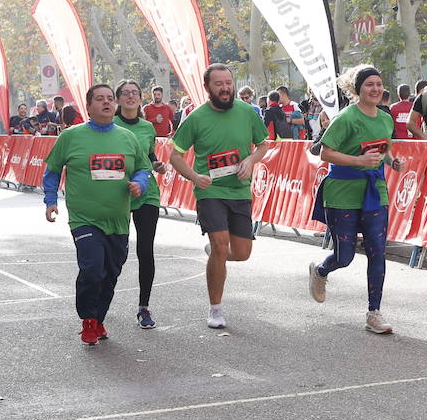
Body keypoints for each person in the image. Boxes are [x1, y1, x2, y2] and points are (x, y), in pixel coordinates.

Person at [45, 84, 151, 345]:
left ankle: (99, 318)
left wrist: (140, 183)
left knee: (111, 273)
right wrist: (50, 200)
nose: (106, 103)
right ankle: (88, 321)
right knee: (92, 268)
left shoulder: (128, 137)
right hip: (84, 218)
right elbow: (53, 170)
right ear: (89, 106)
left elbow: (143, 168)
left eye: (109, 99)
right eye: (99, 99)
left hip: (118, 219)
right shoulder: (71, 136)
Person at [170, 63, 269, 329]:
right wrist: (194, 176)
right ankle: (216, 309)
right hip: (210, 190)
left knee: (243, 252)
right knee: (220, 243)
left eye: (228, 83)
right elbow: (175, 156)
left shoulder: (248, 112)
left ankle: (217, 253)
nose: (225, 88)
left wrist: (250, 160)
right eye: (219, 84)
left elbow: (263, 145)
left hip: (239, 190)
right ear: (207, 88)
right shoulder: (196, 118)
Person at [307, 65, 404, 334]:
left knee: (377, 250)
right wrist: (359, 161)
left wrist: (393, 162)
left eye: (378, 83)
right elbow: (325, 153)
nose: (375, 89)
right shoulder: (346, 118)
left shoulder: (385, 118)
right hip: (342, 191)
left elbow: (384, 149)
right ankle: (322, 270)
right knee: (345, 255)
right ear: (358, 89)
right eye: (369, 84)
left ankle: (374, 312)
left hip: (375, 191)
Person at [114, 80, 166, 329]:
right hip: (117, 193)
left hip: (147, 193)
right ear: (118, 99)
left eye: (135, 93)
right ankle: (103, 301)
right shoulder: (109, 125)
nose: (131, 97)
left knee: (145, 251)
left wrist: (158, 165)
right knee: (116, 252)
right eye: (125, 93)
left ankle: (143, 307)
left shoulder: (147, 127)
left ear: (140, 98)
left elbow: (150, 155)